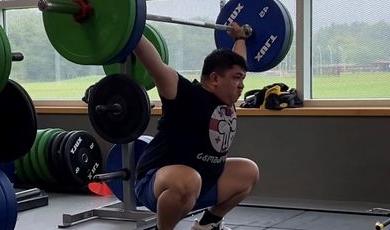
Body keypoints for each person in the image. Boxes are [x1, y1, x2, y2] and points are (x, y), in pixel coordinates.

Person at [133, 22, 260, 230]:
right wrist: (132, 30)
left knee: (248, 171)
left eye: (243, 78)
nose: (242, 84)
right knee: (188, 180)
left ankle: (208, 224)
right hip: (157, 183)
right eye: (237, 78)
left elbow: (238, 61)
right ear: (214, 79)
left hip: (203, 183)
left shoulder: (226, 100)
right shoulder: (184, 94)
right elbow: (155, 65)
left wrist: (240, 38)